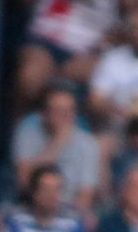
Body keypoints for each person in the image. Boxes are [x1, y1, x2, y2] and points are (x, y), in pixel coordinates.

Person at [13, 84, 105, 215]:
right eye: (58, 111)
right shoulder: (28, 132)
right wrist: (57, 143)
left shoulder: (87, 143)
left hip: (68, 211)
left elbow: (85, 196)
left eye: (69, 111)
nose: (64, 117)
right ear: (45, 114)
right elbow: (24, 182)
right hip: (31, 206)